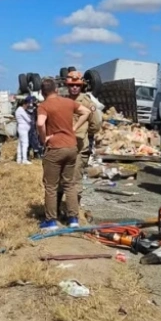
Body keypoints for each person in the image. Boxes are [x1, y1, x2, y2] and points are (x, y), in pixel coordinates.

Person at [36, 78, 92, 230]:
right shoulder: (68, 102)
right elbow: (86, 112)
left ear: (42, 92)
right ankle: (73, 219)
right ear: (56, 90)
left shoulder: (44, 105)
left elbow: (40, 123)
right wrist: (73, 128)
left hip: (55, 148)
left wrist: (44, 139)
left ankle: (51, 221)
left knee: (51, 186)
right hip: (71, 147)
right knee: (69, 184)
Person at [64, 71, 100, 217]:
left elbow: (95, 125)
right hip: (64, 146)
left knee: (75, 180)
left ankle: (74, 212)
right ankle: (63, 208)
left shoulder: (87, 103)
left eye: (77, 85)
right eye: (71, 85)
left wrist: (84, 133)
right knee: (62, 178)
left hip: (79, 147)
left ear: (82, 86)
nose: (74, 88)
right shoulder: (64, 101)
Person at [15, 96, 34, 164]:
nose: (29, 106)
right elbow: (28, 119)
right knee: (25, 144)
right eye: (29, 104)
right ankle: (24, 159)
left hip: (22, 129)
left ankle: (19, 159)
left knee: (20, 144)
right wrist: (30, 118)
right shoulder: (20, 110)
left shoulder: (20, 110)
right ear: (25, 103)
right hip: (23, 129)